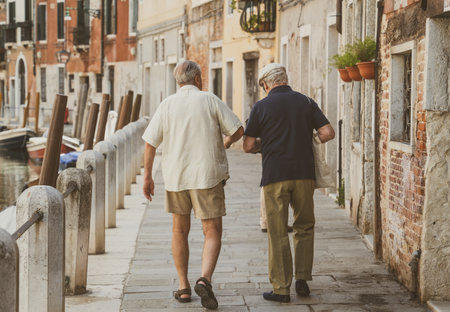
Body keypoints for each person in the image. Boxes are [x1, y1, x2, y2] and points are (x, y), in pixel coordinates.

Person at [142, 60, 244, 310]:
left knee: (179, 230)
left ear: (178, 81)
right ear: (198, 78)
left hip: (176, 177)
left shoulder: (167, 104)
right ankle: (204, 279)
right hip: (207, 175)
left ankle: (184, 287)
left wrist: (147, 177)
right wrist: (226, 143)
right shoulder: (210, 100)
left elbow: (150, 143)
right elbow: (238, 129)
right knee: (212, 231)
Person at [243, 63, 335, 303]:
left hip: (275, 176)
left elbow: (248, 145)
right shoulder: (306, 102)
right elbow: (328, 133)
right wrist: (307, 137)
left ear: (266, 84)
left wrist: (268, 144)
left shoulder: (261, 106)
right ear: (285, 79)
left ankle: (281, 289)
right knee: (305, 226)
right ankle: (302, 278)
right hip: (304, 174)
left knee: (277, 231)